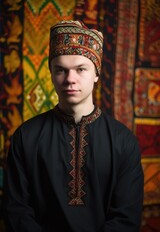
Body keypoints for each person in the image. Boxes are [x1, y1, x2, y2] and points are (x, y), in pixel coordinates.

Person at [4, 20, 144, 232]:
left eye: (80, 69)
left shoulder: (123, 141)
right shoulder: (26, 136)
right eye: (61, 70)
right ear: (51, 73)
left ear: (96, 74)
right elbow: (17, 211)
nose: (70, 79)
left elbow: (126, 218)